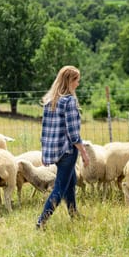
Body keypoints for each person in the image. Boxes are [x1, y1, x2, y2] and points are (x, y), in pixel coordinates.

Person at [36, 65, 89, 230]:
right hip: (67, 151)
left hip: (55, 151)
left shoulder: (50, 101)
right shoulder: (69, 101)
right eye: (76, 81)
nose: (78, 84)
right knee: (60, 187)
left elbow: (45, 131)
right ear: (69, 81)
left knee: (71, 181)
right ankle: (41, 221)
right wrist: (84, 153)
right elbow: (73, 134)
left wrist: (46, 154)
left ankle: (73, 213)